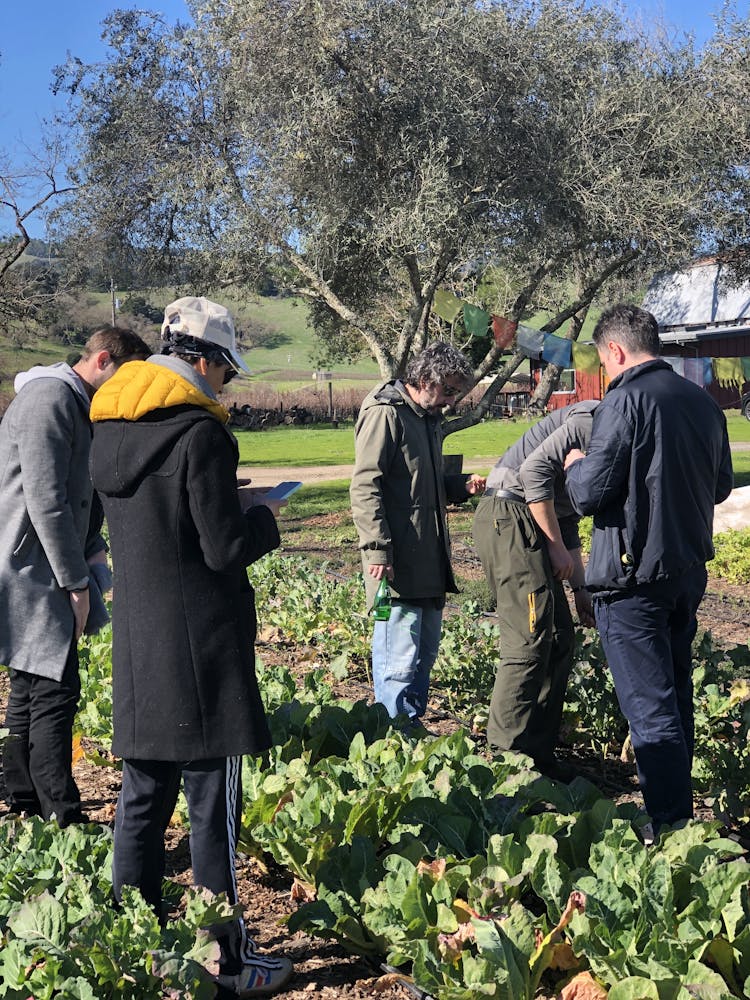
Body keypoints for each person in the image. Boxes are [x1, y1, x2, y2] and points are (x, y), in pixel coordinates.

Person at [89, 297, 293, 998]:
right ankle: (226, 961)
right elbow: (222, 549)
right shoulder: (200, 436)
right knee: (214, 807)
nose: (224, 385)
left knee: (142, 799)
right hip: (203, 649)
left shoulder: (110, 428)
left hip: (141, 644)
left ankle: (134, 946)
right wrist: (262, 516)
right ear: (204, 361)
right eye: (226, 372)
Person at [564, 304, 733, 831]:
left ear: (614, 350)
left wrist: (573, 467)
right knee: (675, 693)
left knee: (650, 708)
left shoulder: (625, 400)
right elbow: (722, 486)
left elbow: (591, 493)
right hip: (685, 572)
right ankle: (678, 812)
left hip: (632, 580)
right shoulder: (702, 402)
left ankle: (669, 825)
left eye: (601, 361)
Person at [0, 326, 151, 826]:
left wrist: (93, 549)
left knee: (31, 684)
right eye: (125, 377)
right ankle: (60, 815)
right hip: (33, 568)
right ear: (102, 360)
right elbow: (47, 500)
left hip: (38, 564)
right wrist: (75, 582)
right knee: (54, 692)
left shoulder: (68, 400)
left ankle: (24, 802)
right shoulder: (51, 399)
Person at [349, 341, 485, 725]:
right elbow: (365, 486)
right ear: (425, 379)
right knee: (398, 659)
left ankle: (410, 731)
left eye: (456, 392)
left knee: (424, 654)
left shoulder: (427, 419)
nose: (451, 401)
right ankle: (393, 736)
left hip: (429, 560)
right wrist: (376, 549)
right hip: (395, 566)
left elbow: (421, 482)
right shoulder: (385, 414)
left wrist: (458, 487)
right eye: (448, 390)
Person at [472, 401, 597, 782]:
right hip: (510, 515)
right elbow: (533, 472)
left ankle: (537, 757)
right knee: (529, 640)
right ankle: (505, 763)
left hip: (535, 521)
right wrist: (555, 547)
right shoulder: (592, 422)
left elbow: (568, 517)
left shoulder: (621, 437)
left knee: (560, 638)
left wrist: (580, 587)